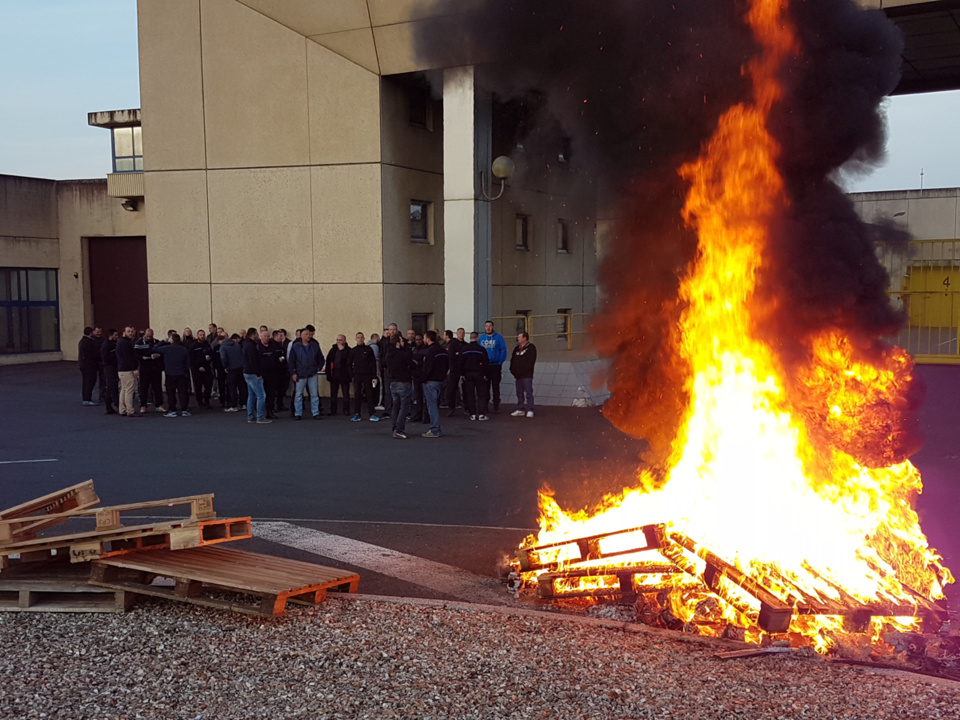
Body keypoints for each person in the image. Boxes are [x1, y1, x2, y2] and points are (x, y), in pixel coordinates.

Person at [288, 324, 323, 420]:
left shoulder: (315, 345)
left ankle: (315, 413)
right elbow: (291, 361)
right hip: (300, 373)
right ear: (302, 335)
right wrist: (293, 373)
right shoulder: (296, 346)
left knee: (314, 394)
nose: (308, 336)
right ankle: (298, 413)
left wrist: (318, 367)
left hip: (312, 373)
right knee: (299, 394)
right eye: (306, 334)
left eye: (309, 334)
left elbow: (321, 357)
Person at [154, 333, 192, 417]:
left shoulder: (166, 348)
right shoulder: (183, 349)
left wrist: (163, 341)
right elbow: (187, 362)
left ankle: (173, 410)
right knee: (182, 392)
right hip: (181, 373)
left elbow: (155, 348)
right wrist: (185, 371)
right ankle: (184, 410)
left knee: (171, 393)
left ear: (172, 340)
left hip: (170, 373)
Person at [385, 333, 414, 439]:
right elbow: (411, 365)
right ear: (398, 343)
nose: (403, 342)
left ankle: (395, 427)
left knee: (395, 406)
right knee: (404, 406)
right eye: (401, 341)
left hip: (393, 382)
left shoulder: (388, 355)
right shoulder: (403, 354)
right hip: (403, 381)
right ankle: (399, 429)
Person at [420, 330, 448, 438]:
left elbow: (427, 368)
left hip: (430, 381)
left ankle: (435, 429)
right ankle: (435, 428)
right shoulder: (442, 350)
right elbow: (447, 365)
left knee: (432, 406)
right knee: (435, 405)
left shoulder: (430, 352)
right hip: (440, 380)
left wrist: (422, 379)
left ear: (427, 339)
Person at [242, 327, 271, 424]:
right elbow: (253, 361)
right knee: (261, 395)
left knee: (251, 395)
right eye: (257, 334)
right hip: (253, 373)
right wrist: (258, 372)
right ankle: (260, 417)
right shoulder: (251, 346)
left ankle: (250, 416)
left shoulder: (246, 344)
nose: (258, 336)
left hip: (247, 372)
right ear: (253, 334)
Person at [479, 320, 508, 413]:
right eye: (486, 326)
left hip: (495, 366)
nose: (488, 328)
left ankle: (496, 405)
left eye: (490, 326)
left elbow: (503, 350)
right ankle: (485, 405)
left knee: (496, 386)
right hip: (485, 367)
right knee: (485, 387)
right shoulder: (482, 338)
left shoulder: (499, 338)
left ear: (493, 327)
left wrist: (500, 362)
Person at [350, 332, 380, 422]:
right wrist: (352, 375)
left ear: (364, 338)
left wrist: (374, 376)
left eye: (361, 337)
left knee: (370, 394)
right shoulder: (353, 350)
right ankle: (357, 414)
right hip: (357, 375)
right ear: (356, 339)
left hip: (368, 375)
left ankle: (372, 414)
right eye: (358, 337)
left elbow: (373, 364)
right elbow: (348, 364)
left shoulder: (369, 349)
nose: (360, 339)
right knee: (357, 395)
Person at [460, 331, 490, 421]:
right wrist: (485, 374)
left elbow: (460, 363)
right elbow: (486, 362)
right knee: (481, 394)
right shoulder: (481, 349)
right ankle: (481, 414)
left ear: (470, 338)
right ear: (477, 338)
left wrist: (462, 374)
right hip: (479, 374)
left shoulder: (464, 349)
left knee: (470, 394)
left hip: (468, 374)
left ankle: (472, 413)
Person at [135, 328, 164, 412]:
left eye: (150, 336)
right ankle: (143, 405)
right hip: (144, 368)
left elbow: (161, 353)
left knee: (157, 387)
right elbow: (136, 355)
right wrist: (144, 357)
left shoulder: (157, 342)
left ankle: (159, 405)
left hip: (155, 368)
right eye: (147, 336)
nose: (149, 338)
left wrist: (158, 356)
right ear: (145, 334)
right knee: (143, 388)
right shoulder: (139, 343)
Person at [510, 331, 538, 418]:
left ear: (525, 338)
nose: (518, 338)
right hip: (517, 375)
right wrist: (513, 370)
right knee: (519, 392)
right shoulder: (516, 348)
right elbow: (512, 360)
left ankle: (530, 409)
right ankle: (520, 408)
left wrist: (522, 370)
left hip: (526, 375)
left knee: (528, 392)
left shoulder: (531, 348)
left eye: (519, 337)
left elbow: (530, 362)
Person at [116, 326, 141, 417]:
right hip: (127, 370)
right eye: (128, 331)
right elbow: (128, 358)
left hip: (122, 369)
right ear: (124, 332)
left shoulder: (121, 342)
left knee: (123, 389)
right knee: (129, 390)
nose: (131, 333)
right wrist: (134, 368)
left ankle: (122, 409)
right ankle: (130, 410)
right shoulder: (125, 343)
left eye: (132, 331)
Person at [325, 334, 352, 416]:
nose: (339, 342)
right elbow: (328, 361)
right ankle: (333, 410)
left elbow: (349, 361)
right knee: (333, 394)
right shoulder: (333, 350)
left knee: (346, 394)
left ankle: (346, 410)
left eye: (340, 340)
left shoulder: (348, 350)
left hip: (345, 375)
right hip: (334, 375)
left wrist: (342, 351)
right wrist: (328, 374)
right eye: (337, 340)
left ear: (344, 341)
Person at [255, 328, 280, 419]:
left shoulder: (272, 346)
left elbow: (276, 359)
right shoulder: (257, 347)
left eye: (268, 336)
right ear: (260, 337)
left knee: (271, 393)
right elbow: (255, 361)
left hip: (272, 374)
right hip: (261, 374)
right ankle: (259, 412)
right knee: (261, 394)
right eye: (265, 336)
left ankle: (270, 411)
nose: (266, 338)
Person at [219, 332, 246, 412]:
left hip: (231, 368)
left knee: (232, 387)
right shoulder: (237, 345)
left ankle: (233, 405)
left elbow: (223, 358)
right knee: (242, 386)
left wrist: (225, 367)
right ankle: (243, 404)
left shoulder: (223, 347)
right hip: (240, 367)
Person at [191, 329, 215, 409]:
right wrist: (198, 367)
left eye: (203, 334)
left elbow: (211, 354)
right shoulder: (193, 345)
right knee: (198, 386)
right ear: (198, 336)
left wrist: (210, 358)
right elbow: (191, 358)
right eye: (200, 335)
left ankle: (207, 401)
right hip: (197, 369)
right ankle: (200, 402)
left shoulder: (207, 344)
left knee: (208, 385)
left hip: (207, 368)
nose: (202, 336)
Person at [443, 329, 463, 416]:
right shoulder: (451, 344)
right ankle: (452, 406)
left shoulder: (453, 345)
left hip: (456, 370)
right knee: (451, 388)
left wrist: (450, 368)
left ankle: (454, 406)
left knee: (453, 388)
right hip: (452, 369)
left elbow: (451, 358)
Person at [100, 328, 119, 415]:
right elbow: (105, 358)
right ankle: (117, 404)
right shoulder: (106, 345)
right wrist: (115, 354)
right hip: (109, 367)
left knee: (110, 387)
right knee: (113, 386)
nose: (117, 337)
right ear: (110, 336)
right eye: (115, 335)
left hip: (113, 367)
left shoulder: (114, 344)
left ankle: (108, 406)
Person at [78, 327, 99, 405]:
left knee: (85, 382)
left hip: (83, 365)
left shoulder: (82, 341)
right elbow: (93, 354)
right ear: (90, 333)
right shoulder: (88, 342)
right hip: (89, 365)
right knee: (90, 381)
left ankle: (86, 398)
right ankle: (87, 398)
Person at [410, 333, 427, 423]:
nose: (418, 341)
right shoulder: (414, 349)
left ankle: (425, 416)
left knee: (424, 397)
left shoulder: (425, 350)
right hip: (415, 376)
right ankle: (417, 415)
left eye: (420, 339)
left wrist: (418, 363)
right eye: (416, 340)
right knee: (416, 397)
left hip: (422, 375)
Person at [274, 329, 290, 412]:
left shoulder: (281, 346)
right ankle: (272, 407)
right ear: (275, 336)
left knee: (281, 389)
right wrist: (277, 359)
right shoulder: (272, 345)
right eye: (280, 336)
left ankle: (280, 405)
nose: (282, 337)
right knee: (273, 390)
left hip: (282, 370)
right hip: (274, 371)